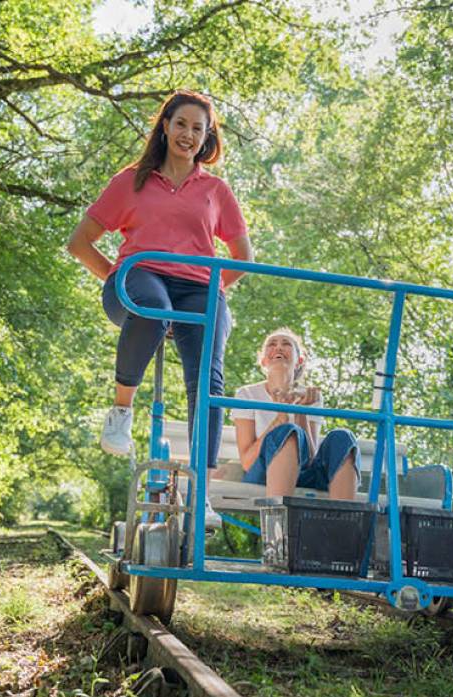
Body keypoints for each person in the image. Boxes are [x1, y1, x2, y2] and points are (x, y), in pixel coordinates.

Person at [66, 90, 253, 528]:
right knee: (153, 307)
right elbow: (80, 242)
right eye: (182, 124)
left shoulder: (215, 190)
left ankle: (200, 497)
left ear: (207, 138)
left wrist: (212, 292)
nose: (188, 134)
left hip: (198, 287)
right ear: (165, 125)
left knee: (208, 377)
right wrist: (117, 275)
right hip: (139, 278)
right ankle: (121, 411)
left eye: (198, 129)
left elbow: (242, 258)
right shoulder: (132, 180)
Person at [232, 327, 359, 500]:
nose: (278, 348)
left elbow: (311, 459)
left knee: (343, 437)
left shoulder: (310, 395)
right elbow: (247, 462)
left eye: (286, 344)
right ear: (263, 360)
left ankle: (345, 520)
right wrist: (281, 417)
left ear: (299, 361)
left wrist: (301, 412)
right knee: (288, 431)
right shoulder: (246, 394)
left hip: (303, 474)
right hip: (264, 473)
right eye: (271, 344)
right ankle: (278, 520)